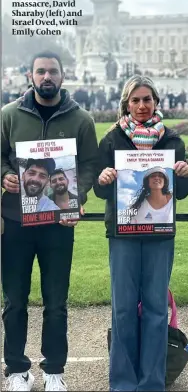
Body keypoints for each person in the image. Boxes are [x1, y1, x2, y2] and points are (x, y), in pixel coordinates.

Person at [1, 50, 98, 392]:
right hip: (15, 222)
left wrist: (77, 195)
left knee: (56, 303)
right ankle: (16, 370)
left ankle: (54, 369)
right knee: (15, 301)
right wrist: (4, 176)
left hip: (58, 224)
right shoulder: (9, 115)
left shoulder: (81, 120)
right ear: (30, 75)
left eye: (52, 71)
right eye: (40, 71)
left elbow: (88, 165)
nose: (46, 77)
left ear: (62, 76)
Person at [94, 75, 188, 392]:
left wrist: (185, 174)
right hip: (122, 234)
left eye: (147, 99)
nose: (141, 105)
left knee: (154, 308)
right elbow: (98, 190)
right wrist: (105, 178)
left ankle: (152, 382)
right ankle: (123, 382)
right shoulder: (111, 140)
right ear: (127, 104)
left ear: (156, 103)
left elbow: (181, 193)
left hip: (160, 235)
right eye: (135, 100)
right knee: (123, 308)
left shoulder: (172, 141)